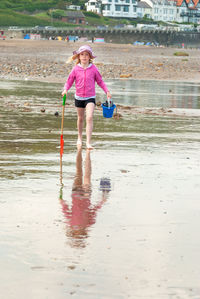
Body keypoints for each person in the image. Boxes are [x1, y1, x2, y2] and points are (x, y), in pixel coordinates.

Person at [62, 45, 111, 150]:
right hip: (79, 97)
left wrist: (107, 91)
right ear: (79, 56)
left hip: (90, 97)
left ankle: (88, 142)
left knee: (89, 117)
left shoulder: (93, 69)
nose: (84, 57)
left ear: (90, 57)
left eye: (86, 55)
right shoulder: (75, 69)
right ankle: (79, 138)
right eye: (82, 54)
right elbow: (69, 81)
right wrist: (65, 89)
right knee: (80, 118)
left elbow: (100, 81)